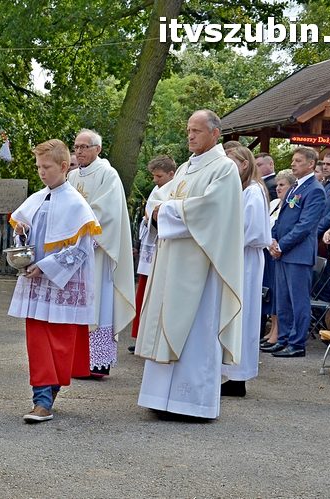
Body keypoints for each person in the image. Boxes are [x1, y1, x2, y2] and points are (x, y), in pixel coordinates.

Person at [135, 109, 244, 420]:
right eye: (188, 131)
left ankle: (192, 404)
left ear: (215, 134)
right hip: (173, 261)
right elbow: (158, 200)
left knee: (196, 330)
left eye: (197, 131)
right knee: (167, 323)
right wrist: (160, 210)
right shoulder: (184, 168)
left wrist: (165, 211)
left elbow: (210, 212)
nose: (190, 136)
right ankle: (159, 398)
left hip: (201, 266)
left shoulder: (223, 169)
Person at [8, 139, 101, 423]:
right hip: (35, 282)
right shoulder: (35, 199)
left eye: (46, 167)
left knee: (60, 342)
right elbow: (24, 238)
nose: (41, 172)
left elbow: (82, 249)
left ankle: (50, 393)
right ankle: (42, 399)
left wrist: (47, 267)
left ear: (63, 166)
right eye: (38, 167)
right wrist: (21, 236)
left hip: (61, 283)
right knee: (37, 340)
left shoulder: (76, 204)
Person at [69, 129, 136, 378]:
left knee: (98, 302)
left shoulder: (108, 174)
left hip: (97, 251)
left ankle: (97, 362)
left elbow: (107, 212)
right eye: (76, 146)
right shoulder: (72, 176)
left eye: (85, 147)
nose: (79, 151)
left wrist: (80, 232)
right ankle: (75, 360)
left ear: (97, 149)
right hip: (75, 253)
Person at [264, 146, 326, 358]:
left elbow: (305, 225)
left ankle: (297, 343)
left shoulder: (315, 190)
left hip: (298, 254)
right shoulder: (293, 188)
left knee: (298, 300)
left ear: (311, 164)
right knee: (282, 299)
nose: (293, 164)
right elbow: (281, 218)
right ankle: (283, 339)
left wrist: (282, 245)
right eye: (293, 160)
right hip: (282, 252)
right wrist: (272, 239)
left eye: (298, 160)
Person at [221, 147, 271, 397]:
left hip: (244, 258)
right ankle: (229, 373)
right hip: (236, 255)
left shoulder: (252, 190)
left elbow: (252, 230)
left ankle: (237, 376)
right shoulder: (240, 189)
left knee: (243, 313)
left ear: (243, 165)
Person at [130, 155, 176, 351]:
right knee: (144, 292)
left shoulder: (175, 191)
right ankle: (141, 335)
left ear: (171, 174)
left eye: (159, 176)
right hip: (151, 245)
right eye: (154, 176)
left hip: (163, 247)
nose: (155, 180)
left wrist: (155, 217)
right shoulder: (157, 191)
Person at [260, 170, 297, 349]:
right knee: (272, 292)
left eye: (283, 185)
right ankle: (273, 329)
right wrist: (271, 242)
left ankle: (278, 331)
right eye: (278, 185)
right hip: (269, 250)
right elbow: (267, 224)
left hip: (281, 251)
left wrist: (277, 245)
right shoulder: (275, 202)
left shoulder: (291, 203)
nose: (279, 188)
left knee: (277, 293)